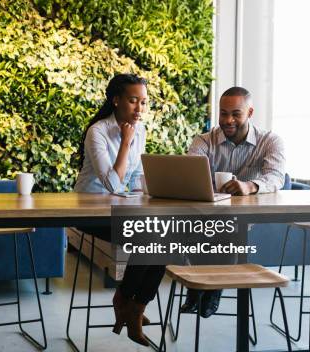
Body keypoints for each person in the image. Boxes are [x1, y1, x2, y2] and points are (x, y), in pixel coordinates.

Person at [74, 74, 164, 346]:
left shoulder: (142, 132)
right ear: (116, 100)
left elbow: (135, 177)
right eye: (133, 101)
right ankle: (127, 304)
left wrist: (148, 195)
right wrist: (125, 142)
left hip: (121, 208)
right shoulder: (98, 132)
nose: (140, 109)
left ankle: (133, 305)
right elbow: (112, 184)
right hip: (89, 211)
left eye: (144, 102)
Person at [182, 86, 286, 318]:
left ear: (250, 112)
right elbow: (190, 171)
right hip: (206, 216)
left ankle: (207, 288)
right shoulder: (203, 141)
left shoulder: (270, 141)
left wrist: (250, 186)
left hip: (249, 222)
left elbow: (276, 176)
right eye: (223, 113)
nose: (228, 120)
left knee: (225, 225)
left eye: (235, 114)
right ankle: (201, 286)